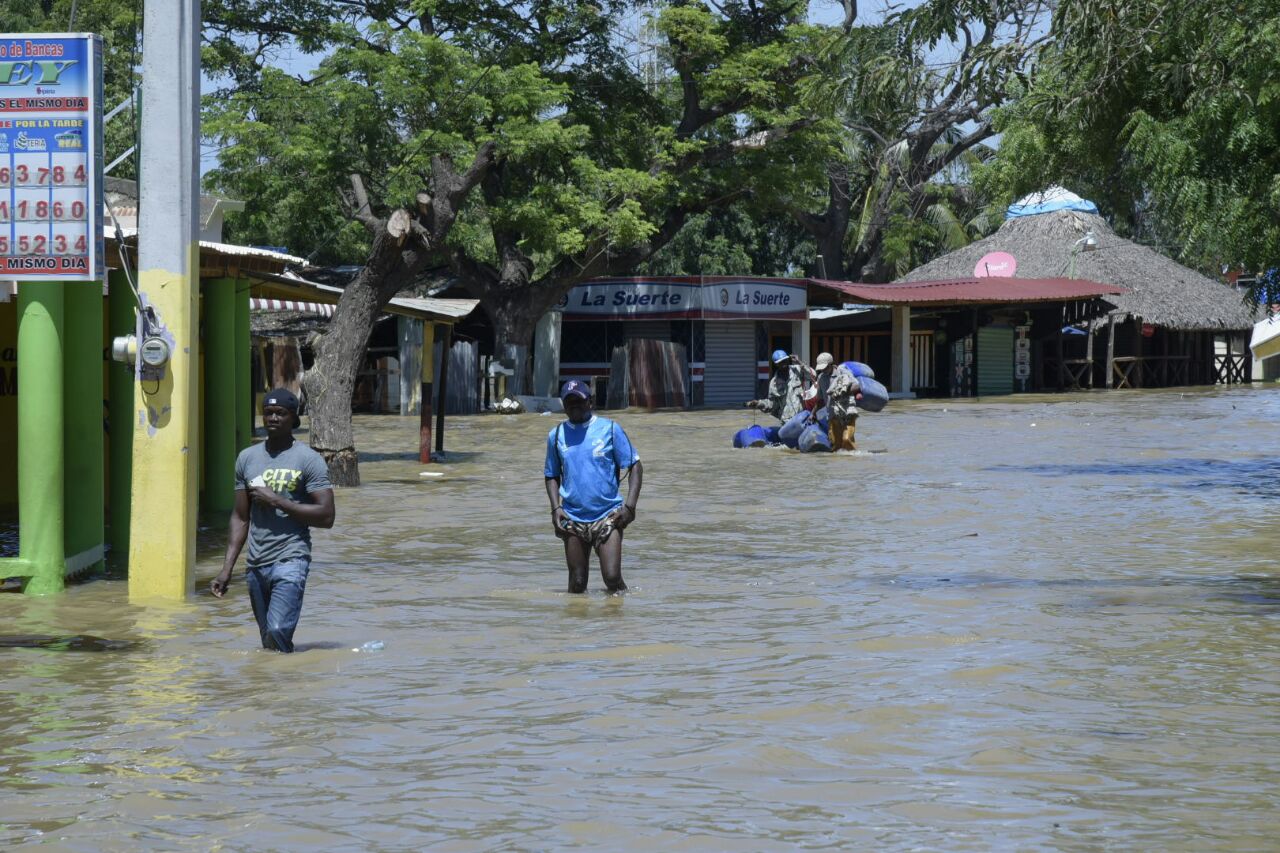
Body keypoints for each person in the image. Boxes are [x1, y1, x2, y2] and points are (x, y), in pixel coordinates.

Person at [211, 388, 335, 653]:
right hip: (256, 564)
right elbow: (240, 517)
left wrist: (279, 501)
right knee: (270, 641)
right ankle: (275, 688)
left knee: (278, 630)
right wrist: (226, 569)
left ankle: (282, 685)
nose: (274, 418)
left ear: (294, 418)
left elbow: (326, 515)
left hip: (292, 558)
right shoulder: (247, 458)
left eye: (281, 413)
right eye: (268, 413)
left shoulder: (308, 460)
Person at [544, 380, 643, 594]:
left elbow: (635, 466)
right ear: (563, 405)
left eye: (579, 401)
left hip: (608, 515)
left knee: (612, 578)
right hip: (572, 517)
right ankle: (576, 624)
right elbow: (551, 475)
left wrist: (630, 507)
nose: (574, 406)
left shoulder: (610, 429)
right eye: (569, 402)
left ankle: (621, 618)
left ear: (590, 402)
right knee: (577, 583)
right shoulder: (556, 435)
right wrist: (555, 508)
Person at [746, 349, 814, 422]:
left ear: (788, 360)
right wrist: (759, 403)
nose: (784, 364)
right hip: (787, 422)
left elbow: (813, 376)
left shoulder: (797, 370)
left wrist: (799, 362)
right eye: (780, 362)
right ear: (776, 364)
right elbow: (772, 404)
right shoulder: (773, 383)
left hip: (802, 417)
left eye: (785, 361)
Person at [825, 362, 862, 451]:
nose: (823, 370)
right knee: (836, 445)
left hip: (847, 411)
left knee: (847, 440)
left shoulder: (844, 373)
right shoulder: (821, 378)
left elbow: (857, 386)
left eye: (825, 368)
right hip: (833, 414)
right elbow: (820, 399)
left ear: (830, 365)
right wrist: (813, 414)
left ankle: (854, 458)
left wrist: (843, 391)